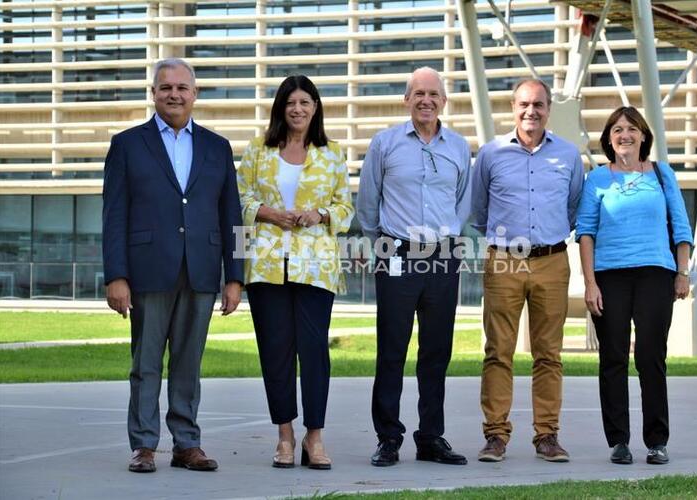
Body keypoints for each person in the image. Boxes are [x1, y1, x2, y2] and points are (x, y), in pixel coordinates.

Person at [102, 58, 243, 473]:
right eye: (166, 87)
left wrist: (235, 277)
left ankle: (186, 444)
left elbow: (231, 215)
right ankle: (144, 445)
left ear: (195, 94)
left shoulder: (218, 148)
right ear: (154, 93)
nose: (174, 94)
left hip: (200, 270)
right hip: (147, 270)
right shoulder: (127, 144)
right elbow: (114, 214)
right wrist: (116, 275)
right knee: (145, 363)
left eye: (183, 87)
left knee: (188, 363)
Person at [356, 67, 471, 467]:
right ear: (407, 99)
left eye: (433, 94)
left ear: (443, 101)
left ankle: (430, 437)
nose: (426, 100)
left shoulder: (458, 146)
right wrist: (383, 246)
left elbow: (463, 202)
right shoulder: (385, 143)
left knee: (437, 352)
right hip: (397, 253)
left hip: (443, 256)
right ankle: (388, 437)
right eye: (418, 93)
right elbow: (368, 203)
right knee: (392, 350)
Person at [237, 75, 354, 470]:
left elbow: (345, 209)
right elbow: (239, 199)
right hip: (267, 266)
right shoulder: (257, 150)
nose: (298, 109)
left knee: (314, 353)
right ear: (281, 108)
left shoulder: (332, 153)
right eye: (291, 102)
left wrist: (319, 214)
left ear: (316, 107)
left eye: (305, 102)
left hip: (316, 266)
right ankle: (285, 436)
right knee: (276, 352)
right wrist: (267, 213)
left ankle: (314, 436)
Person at [471, 78, 583, 463]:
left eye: (538, 104)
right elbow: (479, 210)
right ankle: (496, 436)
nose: (530, 111)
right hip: (504, 260)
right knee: (498, 351)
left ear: (548, 109)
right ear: (513, 108)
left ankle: (547, 435)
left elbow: (573, 208)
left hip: (553, 260)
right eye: (524, 104)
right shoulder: (491, 154)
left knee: (548, 354)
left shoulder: (569, 156)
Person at [575, 106, 692, 465]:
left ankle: (657, 441)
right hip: (610, 276)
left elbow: (681, 226)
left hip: (656, 273)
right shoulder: (597, 179)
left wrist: (683, 271)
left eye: (631, 128)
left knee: (650, 357)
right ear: (609, 140)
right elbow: (585, 233)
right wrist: (590, 283)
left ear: (643, 136)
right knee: (612, 358)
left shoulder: (662, 174)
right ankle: (618, 442)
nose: (624, 134)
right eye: (617, 130)